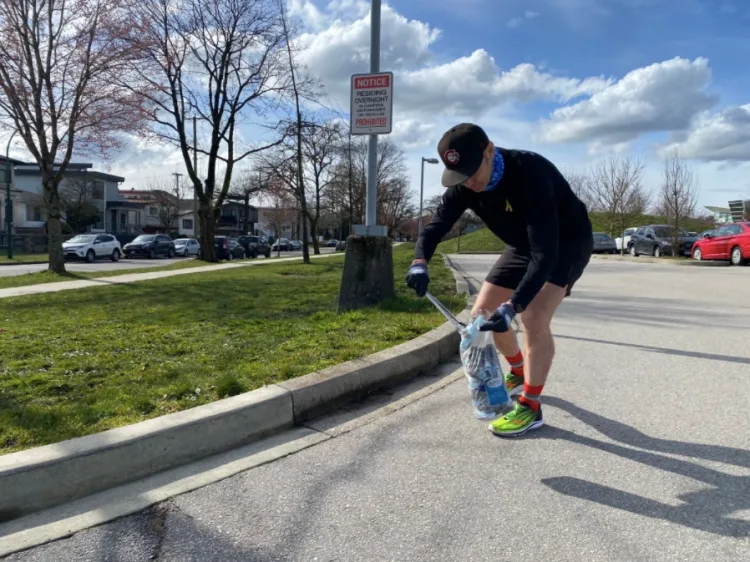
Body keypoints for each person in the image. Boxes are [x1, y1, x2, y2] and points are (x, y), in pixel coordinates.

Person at [405, 123, 593, 437]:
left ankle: (531, 407)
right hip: (523, 245)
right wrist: (419, 262)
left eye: (471, 171)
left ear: (489, 151)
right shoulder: (465, 184)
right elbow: (435, 227)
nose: (469, 182)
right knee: (482, 316)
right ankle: (518, 371)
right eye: (459, 176)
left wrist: (513, 305)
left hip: (564, 243)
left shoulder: (530, 173)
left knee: (532, 316)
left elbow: (544, 255)